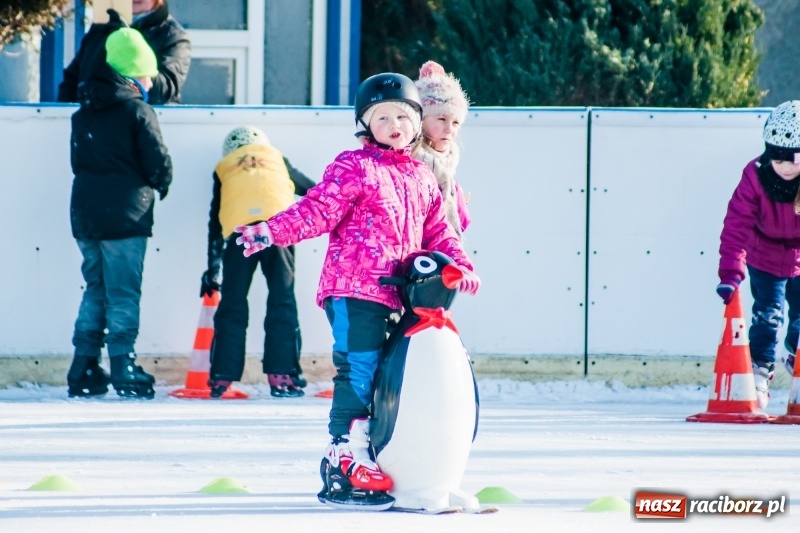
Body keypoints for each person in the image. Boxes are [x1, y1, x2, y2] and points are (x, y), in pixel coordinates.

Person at [235, 72, 480, 509]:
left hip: (401, 293)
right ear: (367, 125)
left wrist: (459, 265)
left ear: (416, 122)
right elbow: (317, 210)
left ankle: (387, 457)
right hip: (354, 288)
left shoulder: (422, 176)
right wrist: (271, 231)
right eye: (382, 117)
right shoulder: (355, 166)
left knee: (394, 377)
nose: (394, 126)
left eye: (402, 117)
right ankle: (344, 455)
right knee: (360, 370)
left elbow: (440, 230)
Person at [66, 27, 173, 400]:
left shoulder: (83, 114)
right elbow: (157, 160)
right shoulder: (137, 110)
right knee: (124, 292)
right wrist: (162, 183)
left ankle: (83, 365)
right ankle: (123, 365)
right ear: (129, 74)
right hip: (125, 216)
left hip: (85, 214)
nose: (149, 83)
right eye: (146, 75)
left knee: (96, 287)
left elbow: (78, 162)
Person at [201, 126, 316, 399]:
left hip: (240, 233)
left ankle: (221, 377)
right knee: (282, 299)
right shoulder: (276, 158)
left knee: (233, 302)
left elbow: (215, 219)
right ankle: (282, 376)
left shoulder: (224, 167)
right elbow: (313, 190)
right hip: (276, 229)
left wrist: (212, 267)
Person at [717, 99, 800, 409]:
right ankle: (760, 372)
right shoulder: (755, 176)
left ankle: (795, 354)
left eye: (793, 159)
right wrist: (731, 273)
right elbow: (736, 225)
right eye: (778, 158)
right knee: (767, 315)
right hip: (764, 255)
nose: (786, 167)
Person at [59, 0, 191, 105]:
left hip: (143, 123)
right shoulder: (100, 30)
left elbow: (164, 91)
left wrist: (127, 46)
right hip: (93, 123)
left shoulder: (173, 36)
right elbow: (72, 81)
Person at [414, 60, 472, 239]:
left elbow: (462, 222)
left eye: (455, 122)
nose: (449, 129)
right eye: (441, 119)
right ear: (421, 120)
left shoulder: (448, 171)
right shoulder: (408, 164)